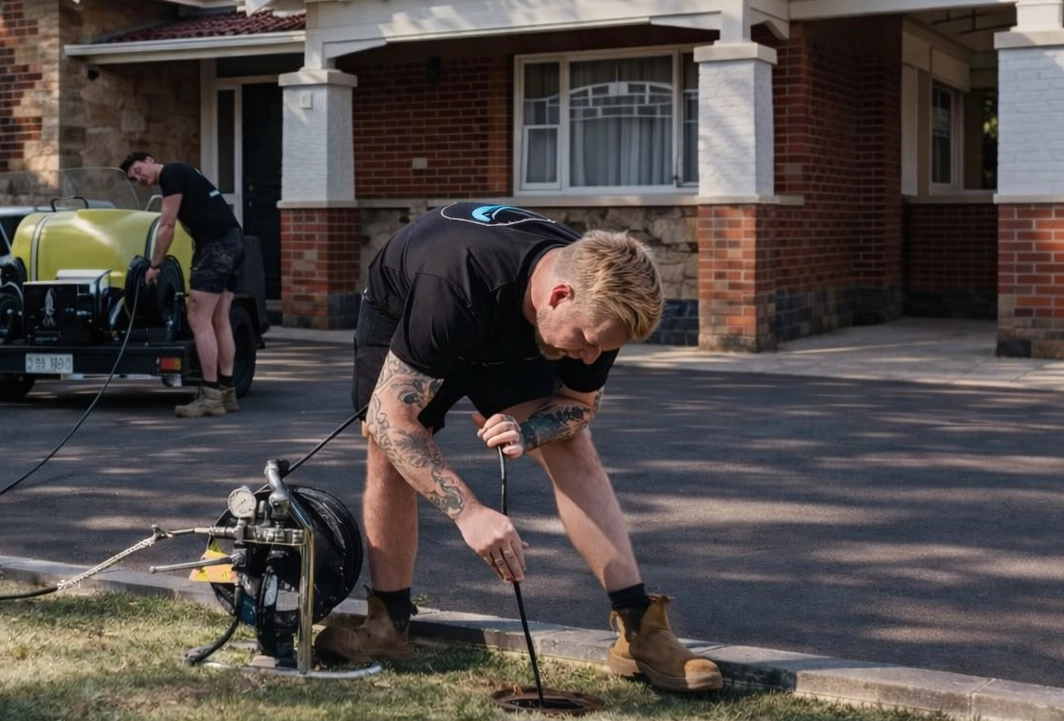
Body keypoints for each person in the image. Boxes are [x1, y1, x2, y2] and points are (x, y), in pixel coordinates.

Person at [314, 202, 722, 692]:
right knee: (387, 447)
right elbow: (392, 420)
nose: (591, 356)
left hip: (510, 324)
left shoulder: (601, 305)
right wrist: (470, 514)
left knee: (573, 444)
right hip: (412, 305)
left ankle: (640, 627)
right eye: (588, 340)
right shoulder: (455, 282)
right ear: (559, 294)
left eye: (603, 347)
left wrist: (528, 431)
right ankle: (388, 623)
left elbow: (578, 405)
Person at [120, 152, 245, 418]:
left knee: (198, 319)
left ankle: (210, 396)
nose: (139, 178)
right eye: (134, 178)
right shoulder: (186, 172)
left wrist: (154, 265)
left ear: (150, 160)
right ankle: (227, 392)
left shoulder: (171, 173)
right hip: (233, 241)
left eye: (138, 170)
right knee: (219, 318)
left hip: (216, 247)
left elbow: (167, 224)